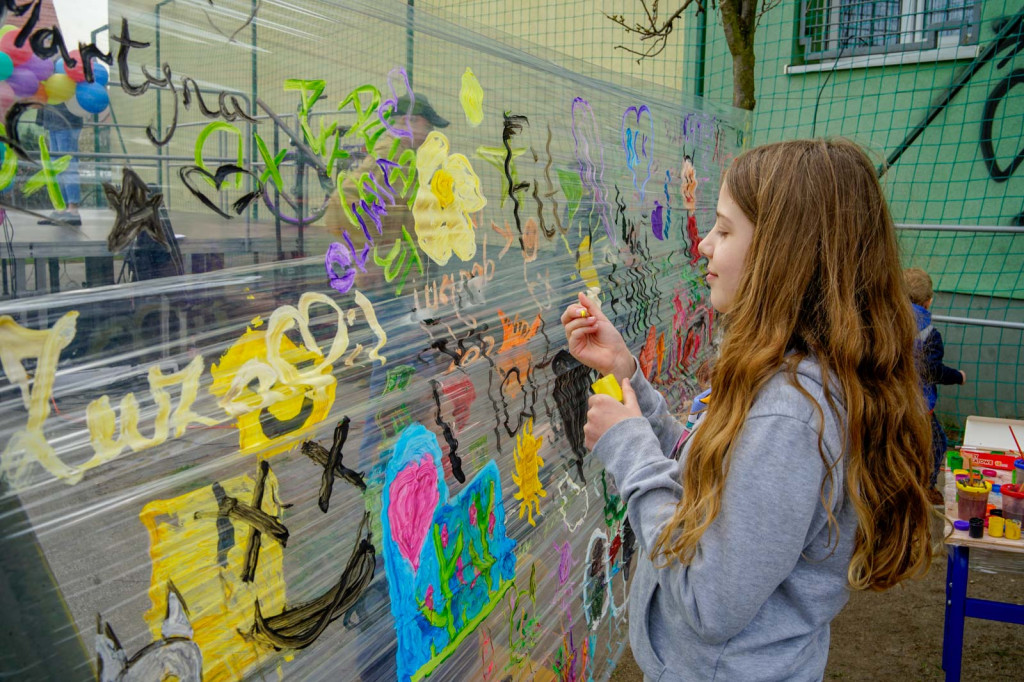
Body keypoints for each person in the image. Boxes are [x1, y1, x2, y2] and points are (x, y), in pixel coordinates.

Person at [560, 139, 934, 681]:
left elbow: (708, 601)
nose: (704, 245)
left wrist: (630, 451)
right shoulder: (790, 380)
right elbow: (712, 476)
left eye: (724, 230)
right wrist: (627, 377)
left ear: (783, 255)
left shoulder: (790, 416)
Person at [904, 267, 966, 505]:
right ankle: (927, 487)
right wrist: (958, 376)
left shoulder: (885, 323)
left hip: (889, 400)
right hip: (918, 407)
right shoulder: (930, 334)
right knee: (937, 444)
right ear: (928, 302)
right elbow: (933, 370)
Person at [37, 102, 83, 226]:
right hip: (54, 121)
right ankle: (63, 209)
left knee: (67, 165)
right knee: (57, 167)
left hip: (66, 120)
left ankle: (72, 210)